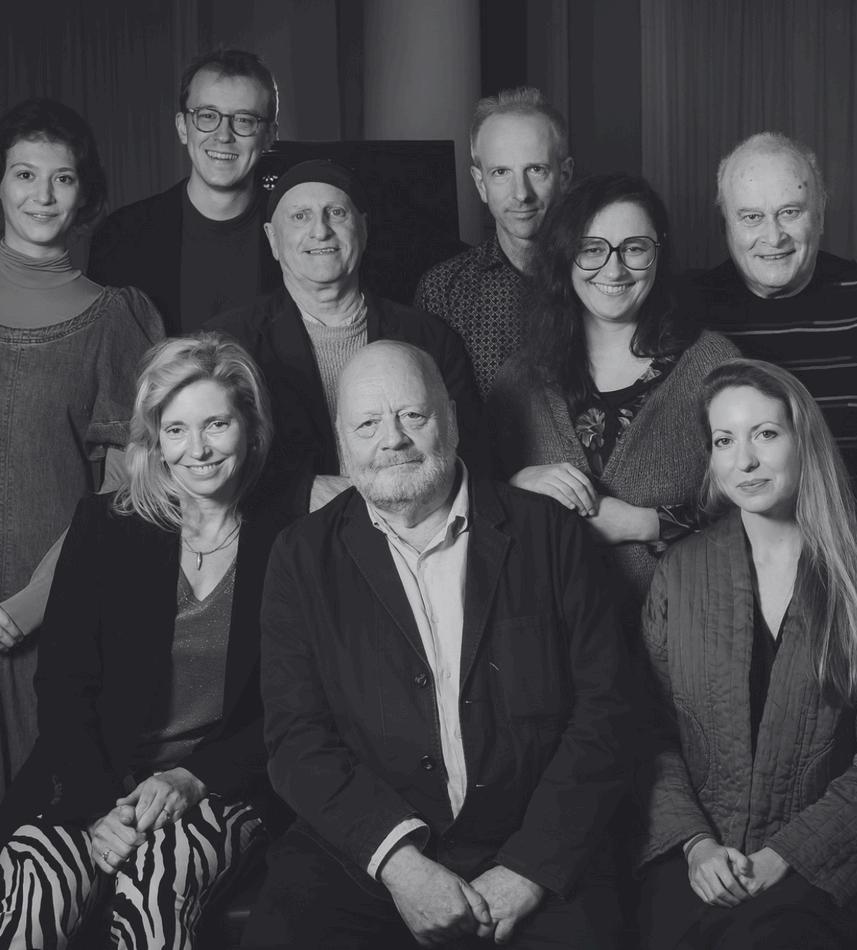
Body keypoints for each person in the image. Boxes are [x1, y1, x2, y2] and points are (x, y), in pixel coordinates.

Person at [243, 340, 632, 948]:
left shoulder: (548, 533)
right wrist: (401, 866)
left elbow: (608, 711)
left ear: (449, 419)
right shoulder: (300, 557)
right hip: (369, 852)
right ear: (342, 441)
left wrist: (530, 869)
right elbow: (297, 740)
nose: (392, 439)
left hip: (532, 840)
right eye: (367, 424)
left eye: (412, 415)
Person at [0, 333, 293, 949]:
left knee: (157, 887)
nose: (198, 450)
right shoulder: (104, 527)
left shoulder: (291, 540)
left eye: (217, 424)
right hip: (88, 776)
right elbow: (63, 686)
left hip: (218, 784)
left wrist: (194, 778)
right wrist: (98, 810)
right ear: (156, 439)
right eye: (176, 429)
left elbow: (294, 707)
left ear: (251, 426)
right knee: (36, 896)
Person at [635, 358, 857, 950]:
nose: (744, 460)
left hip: (820, 863)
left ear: (802, 440)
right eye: (724, 440)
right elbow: (648, 731)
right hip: (696, 858)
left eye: (765, 434)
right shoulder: (681, 571)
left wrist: (785, 855)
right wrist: (696, 845)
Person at [686, 132, 857, 652]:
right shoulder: (687, 313)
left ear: (820, 212)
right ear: (725, 223)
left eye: (790, 212)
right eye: (751, 217)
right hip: (724, 595)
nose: (773, 236)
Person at [489, 173, 739, 632]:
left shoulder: (713, 365)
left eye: (634, 248)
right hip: (557, 644)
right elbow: (478, 514)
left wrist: (643, 524)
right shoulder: (517, 382)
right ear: (565, 256)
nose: (614, 269)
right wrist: (517, 484)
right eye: (592, 249)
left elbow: (754, 508)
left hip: (687, 635)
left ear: (659, 253)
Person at [0, 98, 163, 799]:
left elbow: (126, 490)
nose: (42, 195)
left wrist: (27, 608)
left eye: (61, 178)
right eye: (24, 174)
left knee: (38, 826)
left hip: (46, 615)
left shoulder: (114, 318)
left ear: (84, 192)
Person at [210, 158, 484, 512]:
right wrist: (299, 492)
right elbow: (209, 458)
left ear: (363, 229)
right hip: (284, 530)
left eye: (336, 213)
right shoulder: (228, 343)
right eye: (300, 216)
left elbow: (471, 455)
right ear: (272, 239)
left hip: (413, 523)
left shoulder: (429, 338)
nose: (320, 230)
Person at [88, 48, 282, 334]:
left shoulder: (297, 237)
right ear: (182, 127)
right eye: (207, 116)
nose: (223, 135)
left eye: (244, 120)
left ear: (269, 137)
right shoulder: (120, 237)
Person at [414, 87, 573, 398]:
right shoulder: (442, 291)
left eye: (536, 170)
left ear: (565, 176)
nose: (521, 193)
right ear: (480, 183)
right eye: (501, 172)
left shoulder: (604, 277)